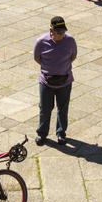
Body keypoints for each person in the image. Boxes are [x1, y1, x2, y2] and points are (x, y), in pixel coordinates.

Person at [34, 16, 77, 146]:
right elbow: (37, 58)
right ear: (51, 30)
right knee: (45, 108)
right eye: (58, 32)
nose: (61, 35)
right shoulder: (41, 42)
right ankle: (42, 134)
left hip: (65, 81)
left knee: (63, 108)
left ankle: (61, 133)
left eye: (63, 32)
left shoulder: (70, 41)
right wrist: (50, 69)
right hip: (46, 82)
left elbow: (73, 56)